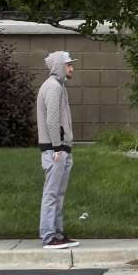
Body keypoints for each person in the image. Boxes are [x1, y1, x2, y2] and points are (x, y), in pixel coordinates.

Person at [37, 51, 78, 250]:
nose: (72, 68)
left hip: (62, 147)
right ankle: (48, 235)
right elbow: (52, 120)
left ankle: (58, 233)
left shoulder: (59, 86)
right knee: (52, 193)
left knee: (58, 193)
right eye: (68, 64)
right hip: (55, 148)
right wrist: (56, 147)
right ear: (59, 66)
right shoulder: (53, 87)